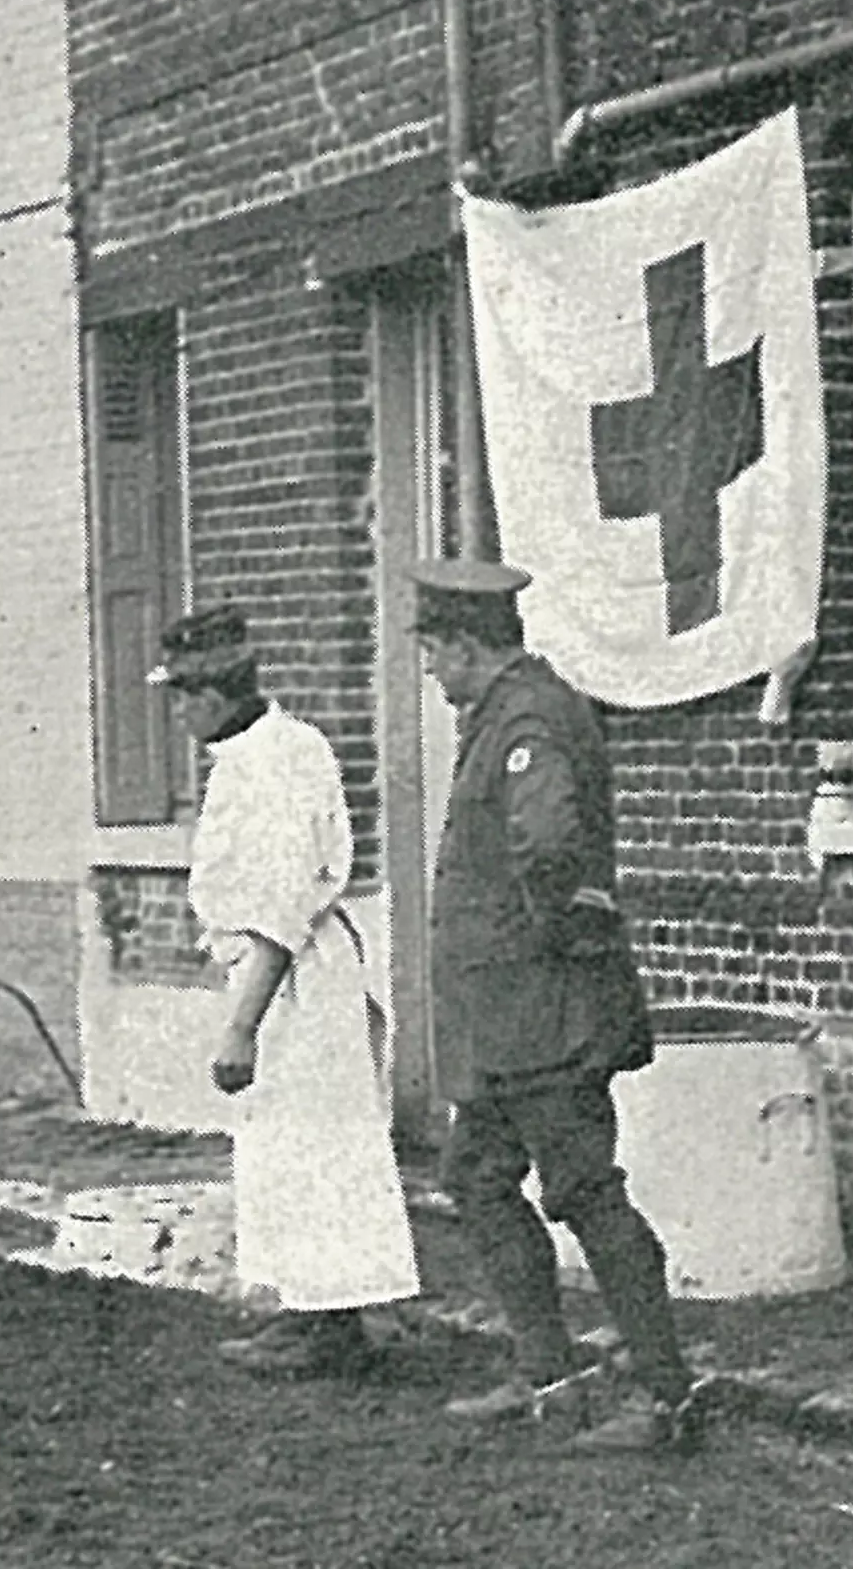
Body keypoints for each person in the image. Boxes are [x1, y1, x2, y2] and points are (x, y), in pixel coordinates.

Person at [410, 557, 706, 1456]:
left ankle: (667, 1400)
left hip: (542, 1019)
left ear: (467, 645)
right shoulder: (501, 713)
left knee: (583, 1190)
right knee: (478, 1178)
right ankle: (553, 1373)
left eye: (432, 651)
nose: (428, 669)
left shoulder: (530, 718)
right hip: (509, 1024)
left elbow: (549, 849)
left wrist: (537, 964)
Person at [149, 607, 420, 1379]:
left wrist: (241, 1026)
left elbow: (277, 910)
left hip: (295, 976)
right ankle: (312, 1310)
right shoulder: (261, 753)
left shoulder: (277, 762)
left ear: (210, 694)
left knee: (315, 1143)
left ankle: (331, 1321)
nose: (179, 711)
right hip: (282, 974)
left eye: (183, 695)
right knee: (286, 1146)